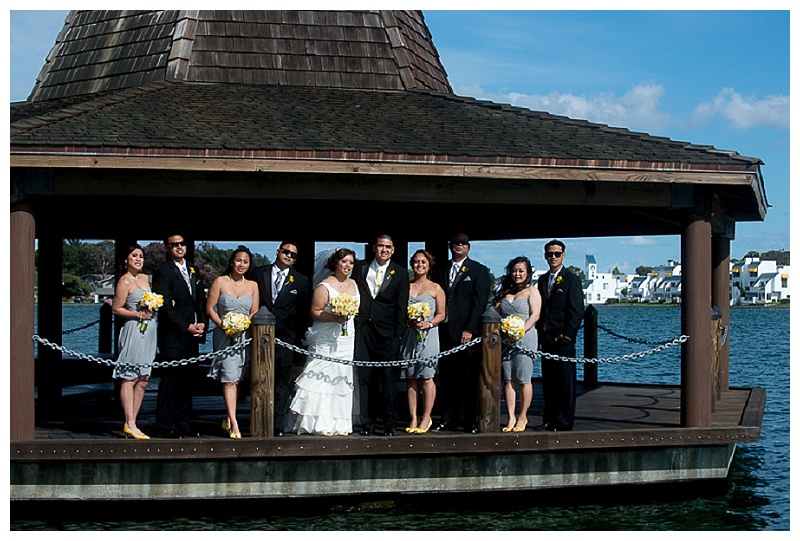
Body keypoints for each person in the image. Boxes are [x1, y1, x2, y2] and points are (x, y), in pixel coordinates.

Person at [290, 248, 359, 436]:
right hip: (326, 336)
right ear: (335, 263)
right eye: (344, 261)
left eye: (351, 262)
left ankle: (341, 423)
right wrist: (335, 317)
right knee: (321, 375)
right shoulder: (324, 286)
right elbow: (315, 311)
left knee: (342, 376)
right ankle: (318, 422)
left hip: (346, 338)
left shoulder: (354, 284)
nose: (347, 266)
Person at [433, 232, 491, 433]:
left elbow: (479, 302)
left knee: (468, 378)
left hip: (467, 334)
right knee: (447, 378)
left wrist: (469, 329)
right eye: (456, 242)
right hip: (445, 331)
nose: (459, 245)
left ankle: (469, 421)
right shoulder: (441, 270)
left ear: (468, 247)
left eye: (463, 243)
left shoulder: (478, 271)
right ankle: (447, 418)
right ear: (451, 246)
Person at [354, 234, 410, 436]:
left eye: (388, 247)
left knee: (388, 380)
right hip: (364, 331)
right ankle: (367, 423)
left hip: (388, 334)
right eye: (380, 246)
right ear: (374, 248)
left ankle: (389, 423)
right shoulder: (360, 268)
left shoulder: (400, 273)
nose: (384, 250)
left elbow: (401, 306)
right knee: (366, 378)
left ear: (393, 250)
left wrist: (398, 334)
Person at [152, 234, 207, 438]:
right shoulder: (163, 271)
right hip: (173, 335)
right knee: (171, 379)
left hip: (193, 335)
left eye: (182, 244)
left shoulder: (193, 269)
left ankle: (183, 421)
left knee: (187, 379)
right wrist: (186, 327)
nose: (179, 247)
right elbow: (166, 306)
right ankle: (165, 423)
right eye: (174, 245)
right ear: (167, 248)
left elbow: (200, 299)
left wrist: (202, 322)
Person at [254, 241, 311, 437]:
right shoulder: (259, 273)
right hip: (260, 337)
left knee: (282, 383)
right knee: (260, 380)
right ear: (278, 252)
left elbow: (303, 313)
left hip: (286, 338)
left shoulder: (301, 281)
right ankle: (259, 421)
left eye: (293, 255)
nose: (289, 256)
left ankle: (277, 425)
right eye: (286, 252)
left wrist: (297, 339)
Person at [206, 246, 259, 439]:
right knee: (229, 378)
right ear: (231, 262)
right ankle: (234, 423)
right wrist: (224, 325)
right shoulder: (220, 281)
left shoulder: (253, 285)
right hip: (224, 334)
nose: (241, 264)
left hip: (244, 336)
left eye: (245, 261)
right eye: (238, 260)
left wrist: (243, 325)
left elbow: (254, 312)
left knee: (237, 379)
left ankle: (228, 419)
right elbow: (210, 308)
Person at [535, 240, 584, 432]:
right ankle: (550, 418)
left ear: (563, 255)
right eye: (550, 254)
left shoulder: (572, 280)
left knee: (565, 382)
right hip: (546, 339)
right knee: (549, 382)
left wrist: (568, 336)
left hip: (563, 340)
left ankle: (564, 421)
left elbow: (576, 311)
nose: (553, 257)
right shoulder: (542, 280)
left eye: (557, 254)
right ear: (545, 256)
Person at [111, 244, 157, 440]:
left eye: (141, 256)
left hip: (150, 330)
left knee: (143, 379)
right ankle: (129, 422)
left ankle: (134, 421)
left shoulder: (145, 278)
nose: (138, 259)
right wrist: (138, 314)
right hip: (134, 329)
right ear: (126, 260)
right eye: (134, 256)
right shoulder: (124, 281)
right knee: (129, 377)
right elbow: (116, 309)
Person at [493, 256, 541, 433]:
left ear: (527, 273)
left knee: (523, 378)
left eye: (521, 271)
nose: (517, 274)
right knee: (508, 379)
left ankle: (522, 416)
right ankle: (511, 416)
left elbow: (535, 315)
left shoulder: (532, 291)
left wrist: (520, 330)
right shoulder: (505, 291)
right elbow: (495, 311)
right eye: (514, 271)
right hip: (506, 339)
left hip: (525, 337)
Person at [400, 249, 446, 434]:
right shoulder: (406, 287)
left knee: (426, 377)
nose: (419, 265)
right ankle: (413, 417)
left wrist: (428, 323)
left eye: (423, 262)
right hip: (410, 335)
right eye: (416, 262)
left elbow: (441, 314)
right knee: (411, 378)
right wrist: (409, 321)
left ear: (429, 265)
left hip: (429, 335)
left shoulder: (436, 288)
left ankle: (426, 417)